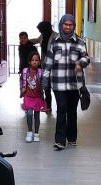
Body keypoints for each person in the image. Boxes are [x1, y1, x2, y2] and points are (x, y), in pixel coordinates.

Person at [42, 14, 90, 151]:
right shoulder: (54, 42)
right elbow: (48, 63)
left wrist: (80, 63)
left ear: (74, 26)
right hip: (58, 84)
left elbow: (86, 58)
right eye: (66, 24)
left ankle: (72, 137)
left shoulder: (80, 42)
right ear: (61, 25)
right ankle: (60, 140)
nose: (68, 27)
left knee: (72, 111)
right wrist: (44, 81)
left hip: (75, 84)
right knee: (62, 109)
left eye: (71, 25)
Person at [21, 50, 46, 143]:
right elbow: (21, 81)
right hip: (28, 97)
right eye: (32, 60)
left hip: (37, 97)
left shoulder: (40, 72)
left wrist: (44, 88)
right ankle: (29, 132)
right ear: (29, 62)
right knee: (29, 114)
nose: (34, 62)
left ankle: (36, 134)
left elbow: (44, 83)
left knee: (37, 115)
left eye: (36, 60)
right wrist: (22, 89)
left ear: (39, 62)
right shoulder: (25, 71)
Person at [37, 21, 55, 112]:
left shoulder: (56, 36)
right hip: (45, 65)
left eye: (41, 30)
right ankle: (48, 106)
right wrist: (26, 40)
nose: (40, 32)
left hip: (55, 66)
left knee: (55, 87)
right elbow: (36, 40)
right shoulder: (43, 36)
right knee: (46, 86)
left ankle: (61, 106)